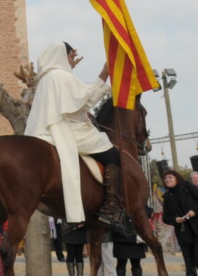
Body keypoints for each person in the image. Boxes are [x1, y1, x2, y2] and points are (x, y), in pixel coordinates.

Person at [26, 42, 128, 234]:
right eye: (71, 56)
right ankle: (112, 206)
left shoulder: (45, 79)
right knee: (113, 155)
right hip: (69, 131)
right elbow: (86, 101)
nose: (73, 61)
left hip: (42, 132)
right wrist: (104, 73)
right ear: (62, 56)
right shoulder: (63, 76)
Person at [112, 212, 148, 276]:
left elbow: (147, 211)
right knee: (121, 264)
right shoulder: (118, 205)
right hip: (121, 236)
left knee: (136, 264)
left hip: (136, 236)